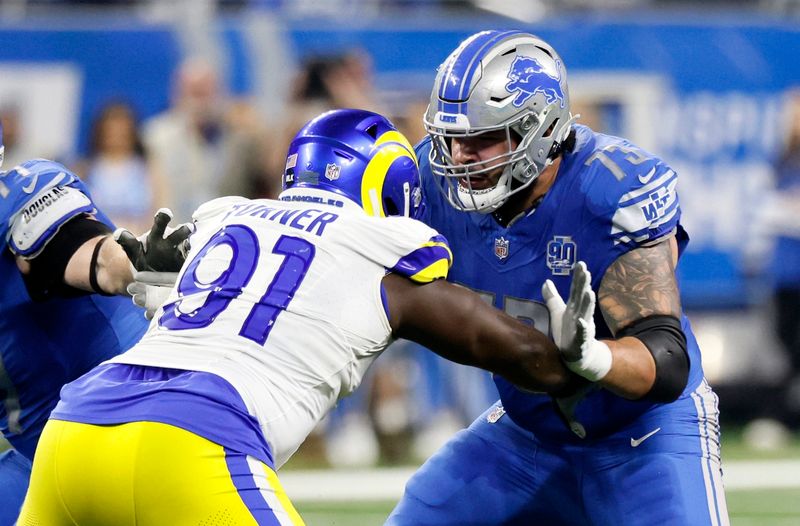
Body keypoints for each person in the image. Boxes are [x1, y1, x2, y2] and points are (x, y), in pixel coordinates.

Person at [18, 109, 583, 525]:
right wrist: (577, 361)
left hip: (74, 432)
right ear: (388, 186)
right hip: (195, 438)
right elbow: (494, 340)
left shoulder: (223, 217)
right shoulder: (377, 245)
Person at [386, 30, 730, 525]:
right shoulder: (430, 183)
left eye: (482, 139)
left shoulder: (609, 189)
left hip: (643, 435)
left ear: (540, 131)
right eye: (452, 139)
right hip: (527, 435)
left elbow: (667, 361)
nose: (459, 158)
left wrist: (595, 357)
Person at [0, 120, 157, 525]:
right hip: (42, 461)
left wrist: (139, 264)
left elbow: (98, 258)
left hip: (127, 429)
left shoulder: (21, 199)